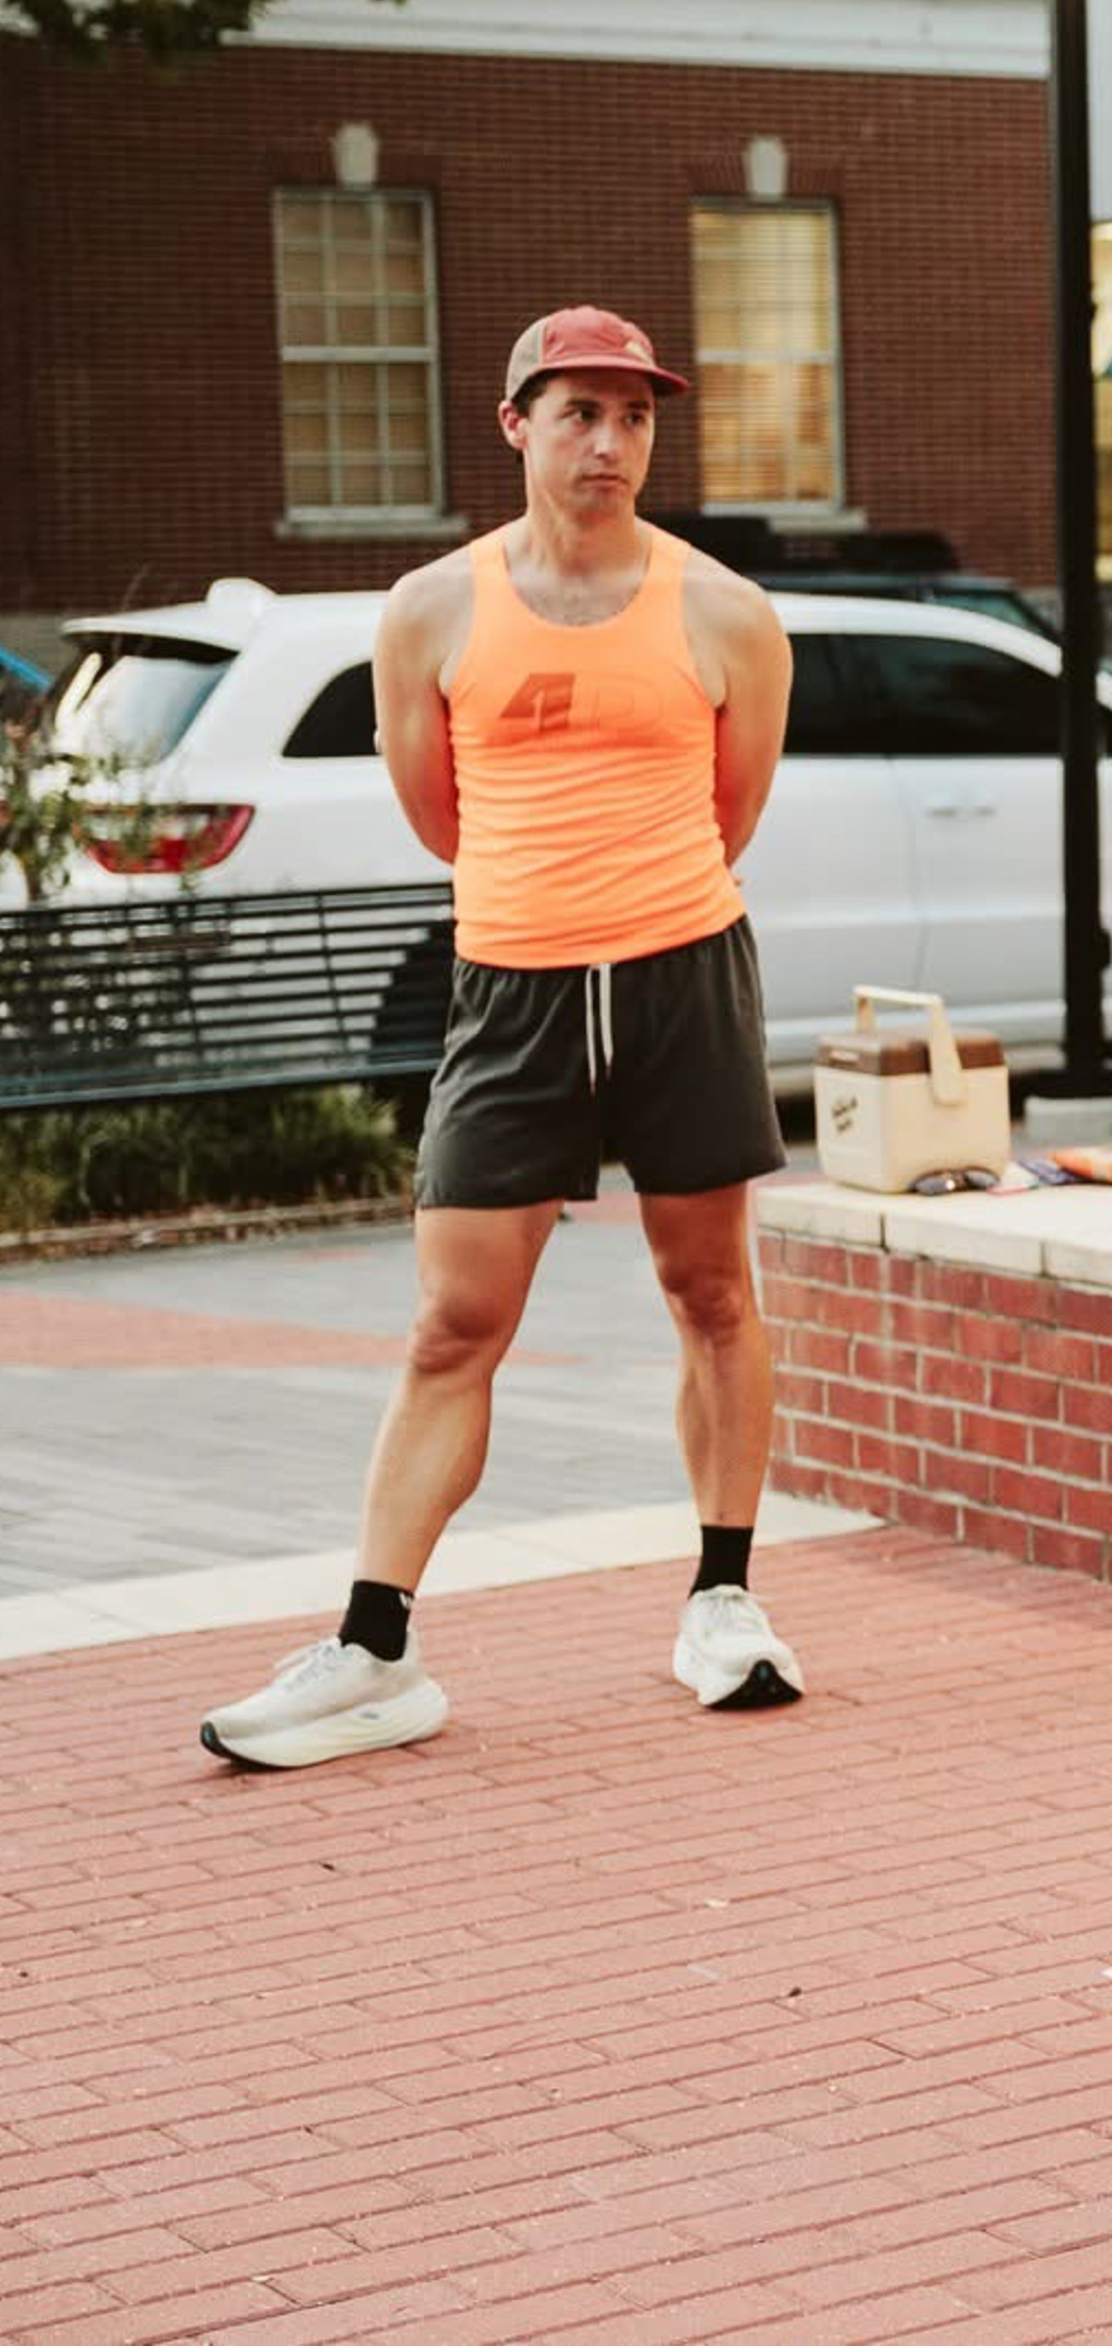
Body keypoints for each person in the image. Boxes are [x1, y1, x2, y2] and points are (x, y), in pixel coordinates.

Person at [202, 307, 803, 1768]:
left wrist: (631, 906)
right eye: (579, 411)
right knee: (452, 1325)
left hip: (681, 975)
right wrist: (552, 906)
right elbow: (440, 816)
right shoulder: (429, 610)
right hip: (512, 993)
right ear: (516, 423)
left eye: (634, 415)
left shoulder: (728, 611)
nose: (610, 442)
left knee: (711, 1292)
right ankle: (374, 1650)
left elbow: (731, 811)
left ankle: (723, 1603)